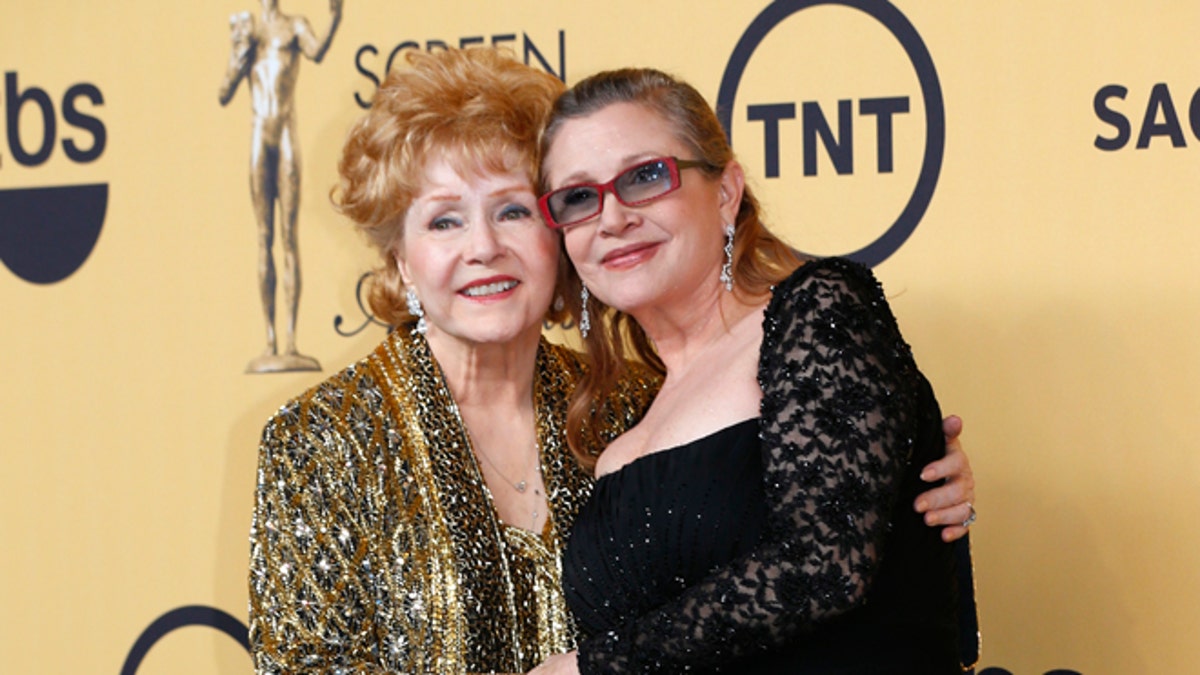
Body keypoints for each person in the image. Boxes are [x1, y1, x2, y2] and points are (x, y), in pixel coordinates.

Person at [247, 48, 976, 675]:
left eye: (512, 211)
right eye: (443, 220)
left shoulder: (625, 399)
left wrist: (915, 478)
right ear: (399, 258)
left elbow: (810, 543)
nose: (483, 247)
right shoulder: (324, 438)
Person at [532, 67, 977, 674]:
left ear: (725, 192)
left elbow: (824, 569)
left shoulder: (816, 310)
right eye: (578, 198)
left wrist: (594, 669)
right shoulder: (627, 422)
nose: (612, 218)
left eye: (644, 177)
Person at [218, 0, 342, 373]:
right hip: (260, 135)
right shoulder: (248, 34)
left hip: (286, 133)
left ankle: (290, 341)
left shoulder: (294, 27)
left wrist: (335, 17)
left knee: (288, 237)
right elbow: (224, 92)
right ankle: (270, 340)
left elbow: (317, 51)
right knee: (263, 236)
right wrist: (240, 56)